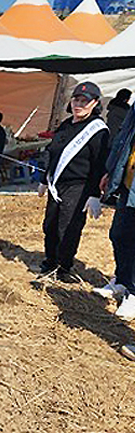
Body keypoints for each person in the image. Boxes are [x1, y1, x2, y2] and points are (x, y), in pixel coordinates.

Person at [38, 82, 109, 283]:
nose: (79, 105)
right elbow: (53, 152)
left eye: (84, 101)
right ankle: (50, 261)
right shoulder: (66, 124)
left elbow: (99, 165)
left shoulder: (98, 130)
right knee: (50, 225)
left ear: (95, 103)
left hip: (79, 186)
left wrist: (94, 194)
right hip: (57, 183)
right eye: (76, 100)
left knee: (68, 228)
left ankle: (63, 267)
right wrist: (44, 180)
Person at [94, 103, 135, 320]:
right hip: (129, 184)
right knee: (119, 234)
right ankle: (122, 280)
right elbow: (124, 138)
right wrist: (111, 171)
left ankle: (133, 294)